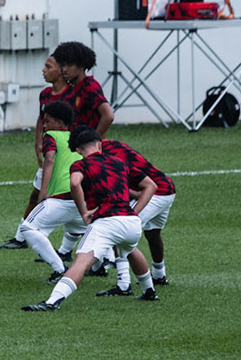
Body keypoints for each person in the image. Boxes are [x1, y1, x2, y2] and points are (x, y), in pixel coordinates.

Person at [24, 128, 159, 311]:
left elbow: (74, 183)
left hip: (106, 222)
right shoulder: (119, 163)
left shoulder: (81, 165)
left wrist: (83, 212)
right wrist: (134, 212)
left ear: (78, 150)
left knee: (81, 261)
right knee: (130, 249)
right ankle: (149, 291)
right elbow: (151, 185)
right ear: (100, 145)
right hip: (131, 223)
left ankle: (52, 302)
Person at [0, 43, 112, 252]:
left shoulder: (87, 87)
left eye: (66, 65)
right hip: (62, 149)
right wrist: (39, 142)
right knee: (46, 194)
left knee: (78, 197)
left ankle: (98, 251)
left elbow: (107, 115)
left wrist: (93, 142)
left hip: (72, 153)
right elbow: (43, 119)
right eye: (62, 65)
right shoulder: (60, 92)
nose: (64, 69)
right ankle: (26, 238)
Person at [12, 101, 82, 280]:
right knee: (94, 231)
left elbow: (49, 160)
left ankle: (60, 269)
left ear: (59, 123)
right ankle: (106, 267)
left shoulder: (51, 135)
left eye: (48, 121)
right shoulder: (76, 138)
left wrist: (43, 193)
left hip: (61, 198)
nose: (44, 125)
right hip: (81, 199)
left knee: (27, 228)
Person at [95, 136, 175, 292]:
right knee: (152, 233)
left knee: (120, 229)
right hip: (166, 188)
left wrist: (130, 212)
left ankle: (123, 283)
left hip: (155, 192)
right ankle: (159, 274)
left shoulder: (106, 156)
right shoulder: (111, 145)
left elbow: (120, 185)